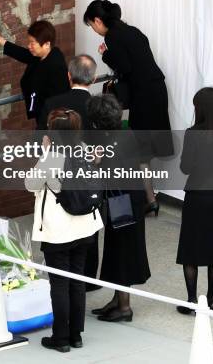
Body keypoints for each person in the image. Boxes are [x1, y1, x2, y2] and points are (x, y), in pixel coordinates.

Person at [83, 0, 172, 214]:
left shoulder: (112, 37)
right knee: (144, 149)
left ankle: (148, 200)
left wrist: (105, 54)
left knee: (139, 149)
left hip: (144, 96)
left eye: (92, 25)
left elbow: (124, 67)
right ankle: (149, 197)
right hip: (157, 90)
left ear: (98, 20)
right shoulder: (132, 30)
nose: (94, 30)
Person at [25, 109, 103, 353]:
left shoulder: (52, 157)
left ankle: (60, 337)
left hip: (58, 230)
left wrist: (45, 153)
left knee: (59, 283)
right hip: (86, 225)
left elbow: (30, 184)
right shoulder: (82, 150)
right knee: (77, 279)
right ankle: (76, 335)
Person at [38, 54, 101, 289]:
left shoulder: (52, 103)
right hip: (88, 170)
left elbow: (40, 139)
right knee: (90, 215)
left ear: (68, 75)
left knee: (59, 216)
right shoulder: (97, 105)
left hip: (57, 170)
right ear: (94, 78)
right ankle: (88, 277)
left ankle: (62, 274)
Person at [87, 94, 151, 322]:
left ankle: (124, 306)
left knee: (121, 250)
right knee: (117, 249)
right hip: (131, 198)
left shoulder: (106, 142)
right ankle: (116, 299)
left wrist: (95, 162)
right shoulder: (127, 132)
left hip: (120, 200)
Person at [176, 87, 213, 314]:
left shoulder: (192, 133)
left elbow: (185, 167)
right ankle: (211, 300)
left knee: (190, 250)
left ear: (200, 108)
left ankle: (191, 300)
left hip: (196, 194)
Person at [0, 20, 69, 126]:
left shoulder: (55, 66)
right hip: (43, 115)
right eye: (29, 42)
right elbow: (24, 54)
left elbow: (57, 102)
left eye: (32, 43)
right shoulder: (45, 54)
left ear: (47, 44)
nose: (29, 46)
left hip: (50, 121)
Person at [38, 54, 97, 130]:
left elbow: (39, 137)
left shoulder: (50, 103)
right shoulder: (97, 108)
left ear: (69, 75)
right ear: (94, 79)